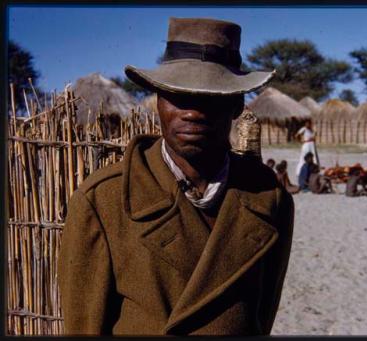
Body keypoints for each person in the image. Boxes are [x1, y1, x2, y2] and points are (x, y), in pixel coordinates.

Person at [58, 17, 294, 336]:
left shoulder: (269, 198)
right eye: (178, 95)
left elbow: (262, 316)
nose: (193, 112)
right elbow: (83, 326)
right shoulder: (103, 201)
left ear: (237, 104)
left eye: (211, 96)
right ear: (158, 101)